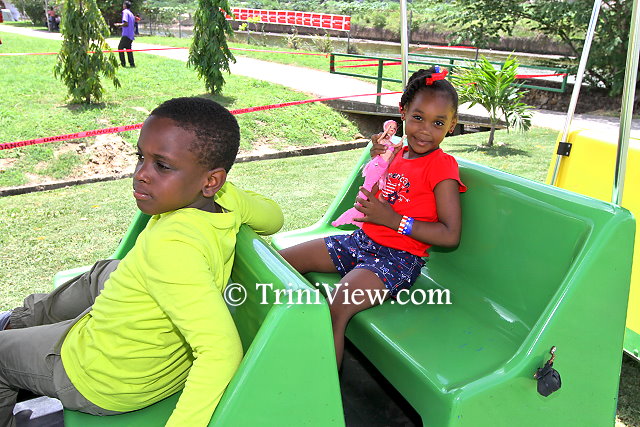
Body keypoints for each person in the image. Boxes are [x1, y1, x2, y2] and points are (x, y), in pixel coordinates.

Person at [0, 97, 284, 427]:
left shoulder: (172, 247)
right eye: (141, 158)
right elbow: (273, 218)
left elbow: (221, 352)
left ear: (210, 181)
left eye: (162, 166)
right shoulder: (222, 202)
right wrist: (226, 192)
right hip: (152, 359)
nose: (140, 175)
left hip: (104, 377)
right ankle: (17, 323)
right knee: (104, 272)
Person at [280, 67, 467, 367]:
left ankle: (320, 385)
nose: (425, 130)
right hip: (361, 241)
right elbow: (379, 188)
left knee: (337, 306)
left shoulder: (442, 167)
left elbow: (450, 234)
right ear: (403, 113)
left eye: (438, 123)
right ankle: (278, 345)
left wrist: (393, 220)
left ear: (452, 125)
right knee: (281, 262)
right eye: (418, 118)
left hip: (398, 259)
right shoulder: (396, 152)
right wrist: (376, 158)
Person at [114, 1, 136, 67]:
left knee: (120, 47)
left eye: (123, 5)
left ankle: (123, 63)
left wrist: (118, 25)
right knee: (128, 49)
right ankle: (132, 64)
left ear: (125, 6)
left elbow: (126, 23)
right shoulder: (131, 13)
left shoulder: (125, 12)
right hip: (131, 34)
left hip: (126, 34)